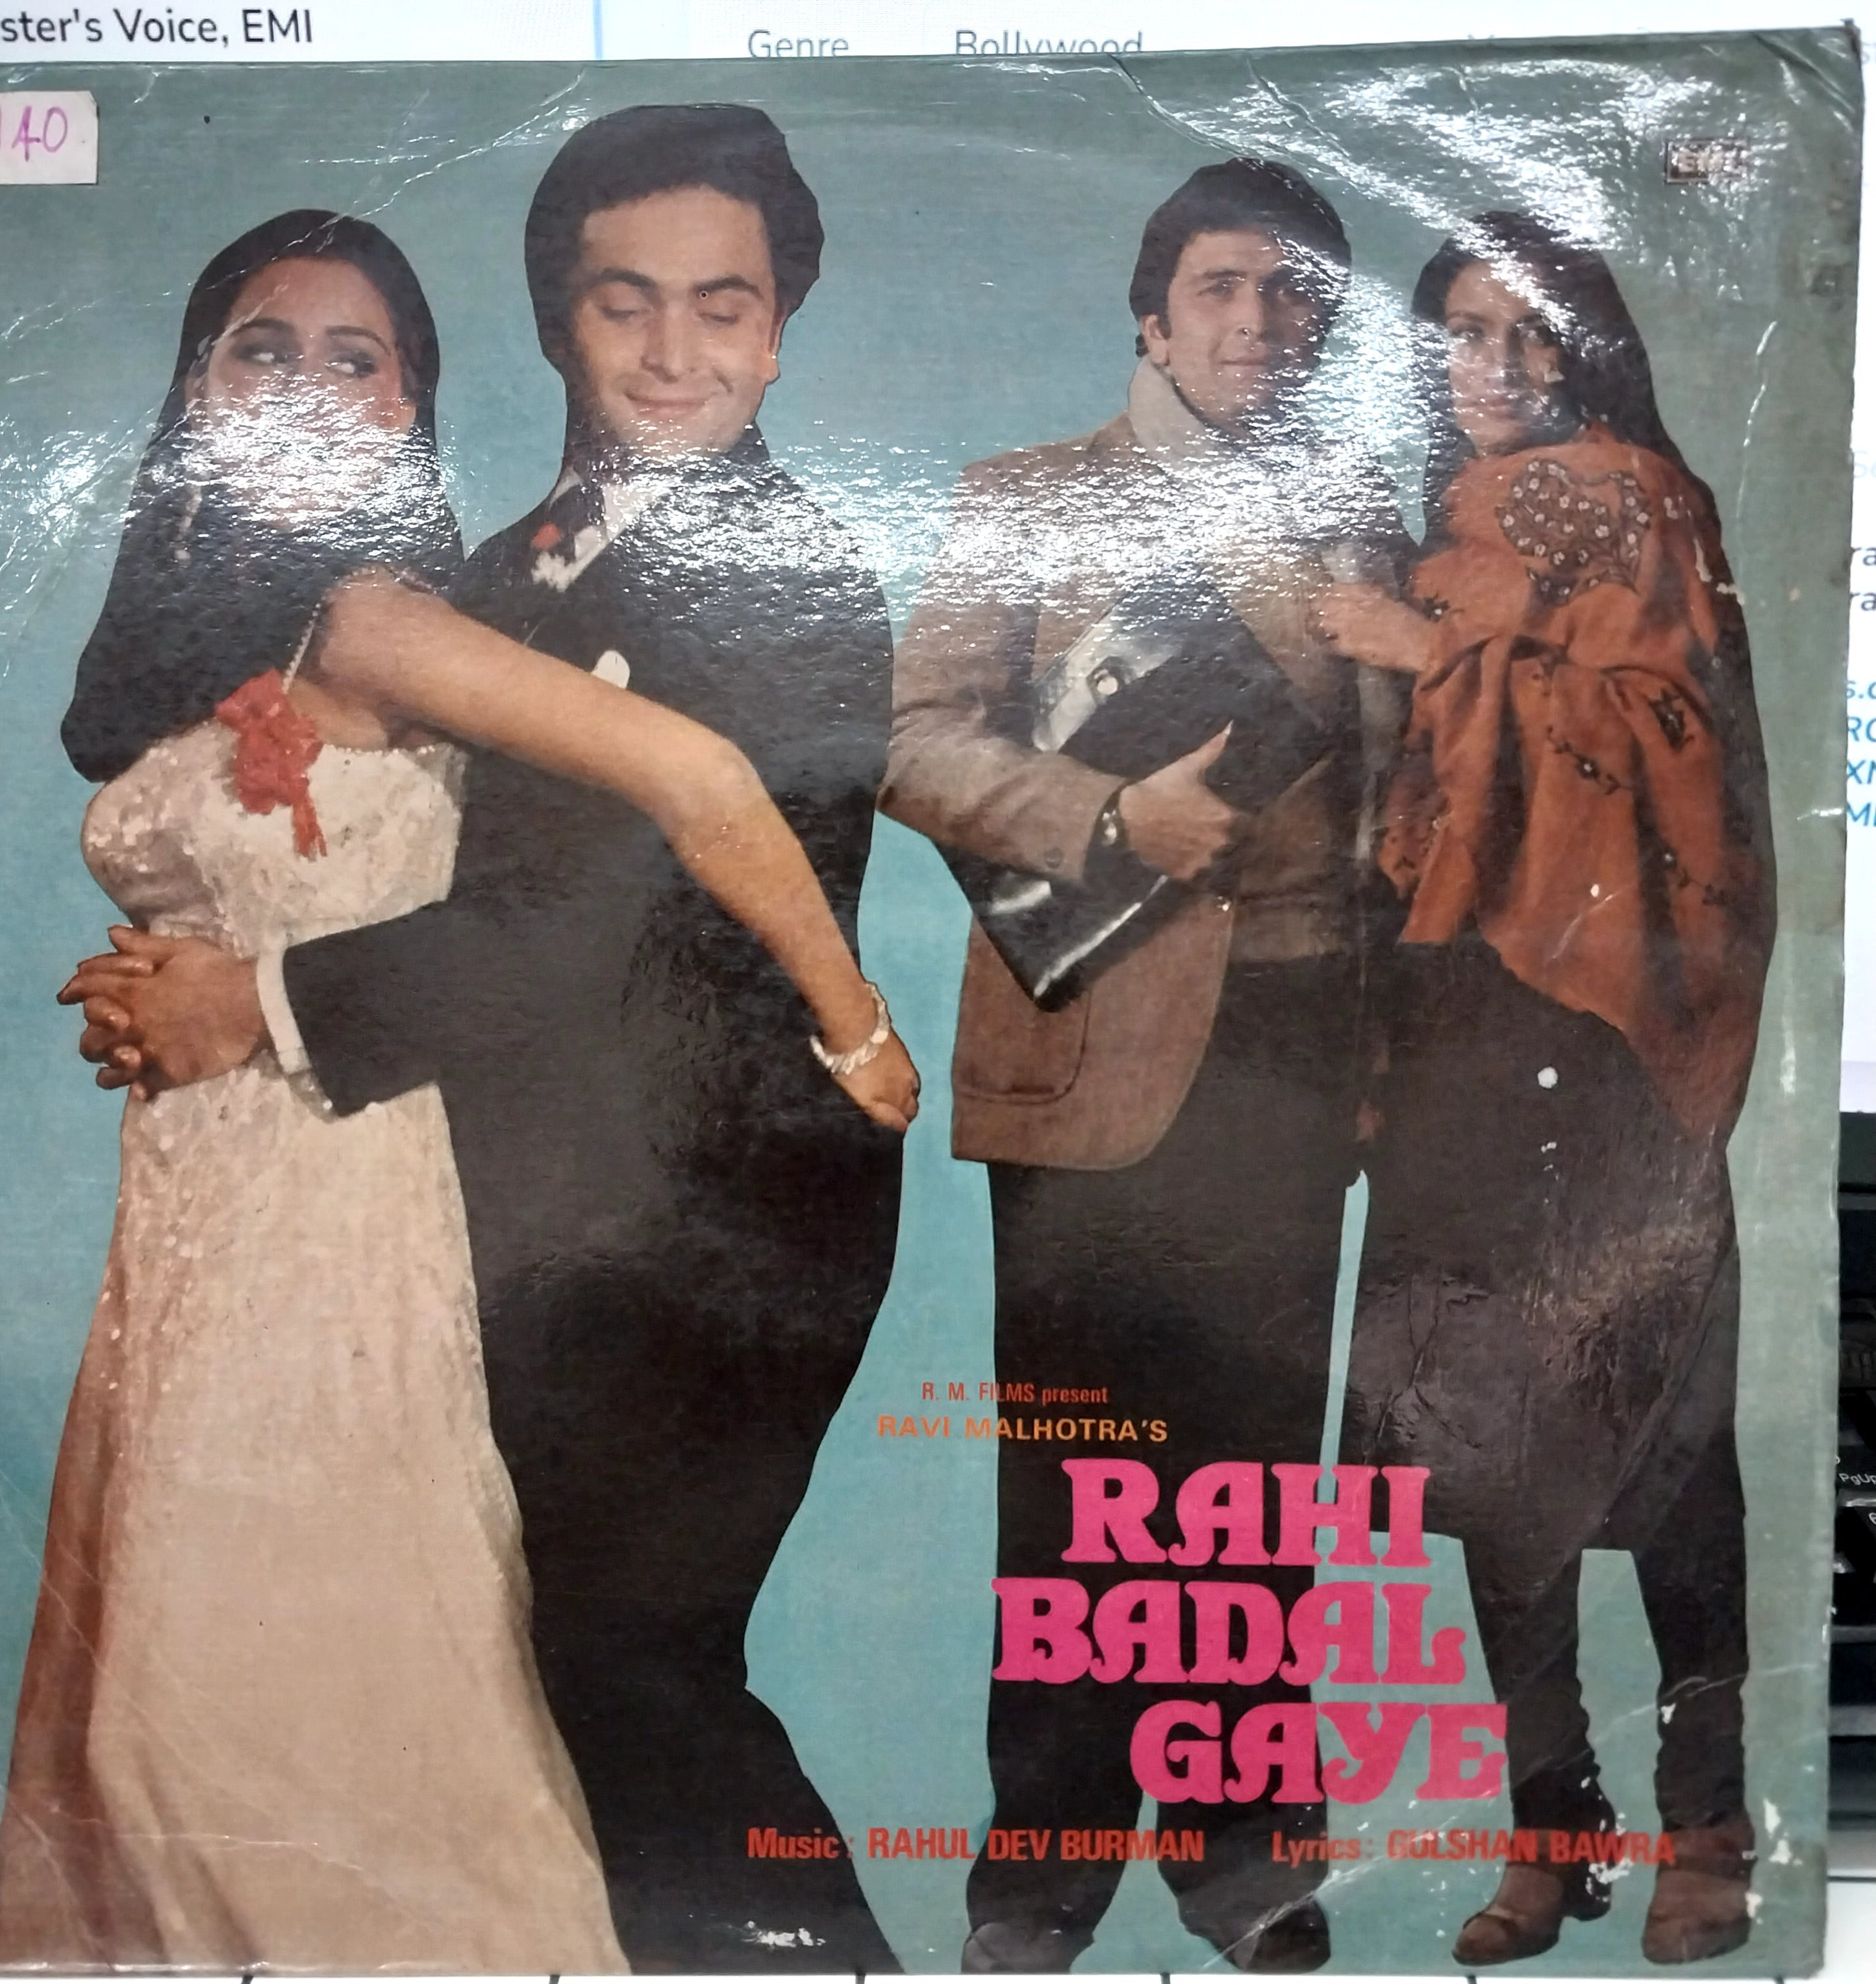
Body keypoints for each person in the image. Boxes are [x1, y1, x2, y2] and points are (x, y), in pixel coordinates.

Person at [0, 208, 914, 1974]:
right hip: (202, 1221)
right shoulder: (448, 586)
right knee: (199, 1693)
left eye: (361, 361)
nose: (311, 387)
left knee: (295, 1703)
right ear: (195, 385)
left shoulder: (384, 616)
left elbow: (680, 810)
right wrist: (168, 1005)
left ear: (411, 405)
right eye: (265, 349)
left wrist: (857, 1023)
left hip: (371, 1200)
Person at [879, 156, 1410, 1976]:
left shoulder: (1365, 522)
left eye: (1293, 294)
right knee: (1071, 1484)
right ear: (1151, 314)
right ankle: (1035, 1879)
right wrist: (1111, 815)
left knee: (1255, 1477)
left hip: (1300, 1045)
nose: (1257, 320)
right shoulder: (1025, 498)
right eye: (1220, 286)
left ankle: (1244, 1856)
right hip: (1093, 1029)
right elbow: (911, 743)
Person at [1316, 212, 1773, 1968]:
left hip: (1610, 1026)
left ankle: (1705, 1827)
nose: (1494, 367)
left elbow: (1671, 744)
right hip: (1459, 1028)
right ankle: (1549, 1825)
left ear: (1589, 351)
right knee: (1488, 1448)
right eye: (1461, 330)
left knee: (1667, 1446)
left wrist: (1427, 646)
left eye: (1531, 332)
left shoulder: (1627, 495)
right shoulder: (1444, 520)